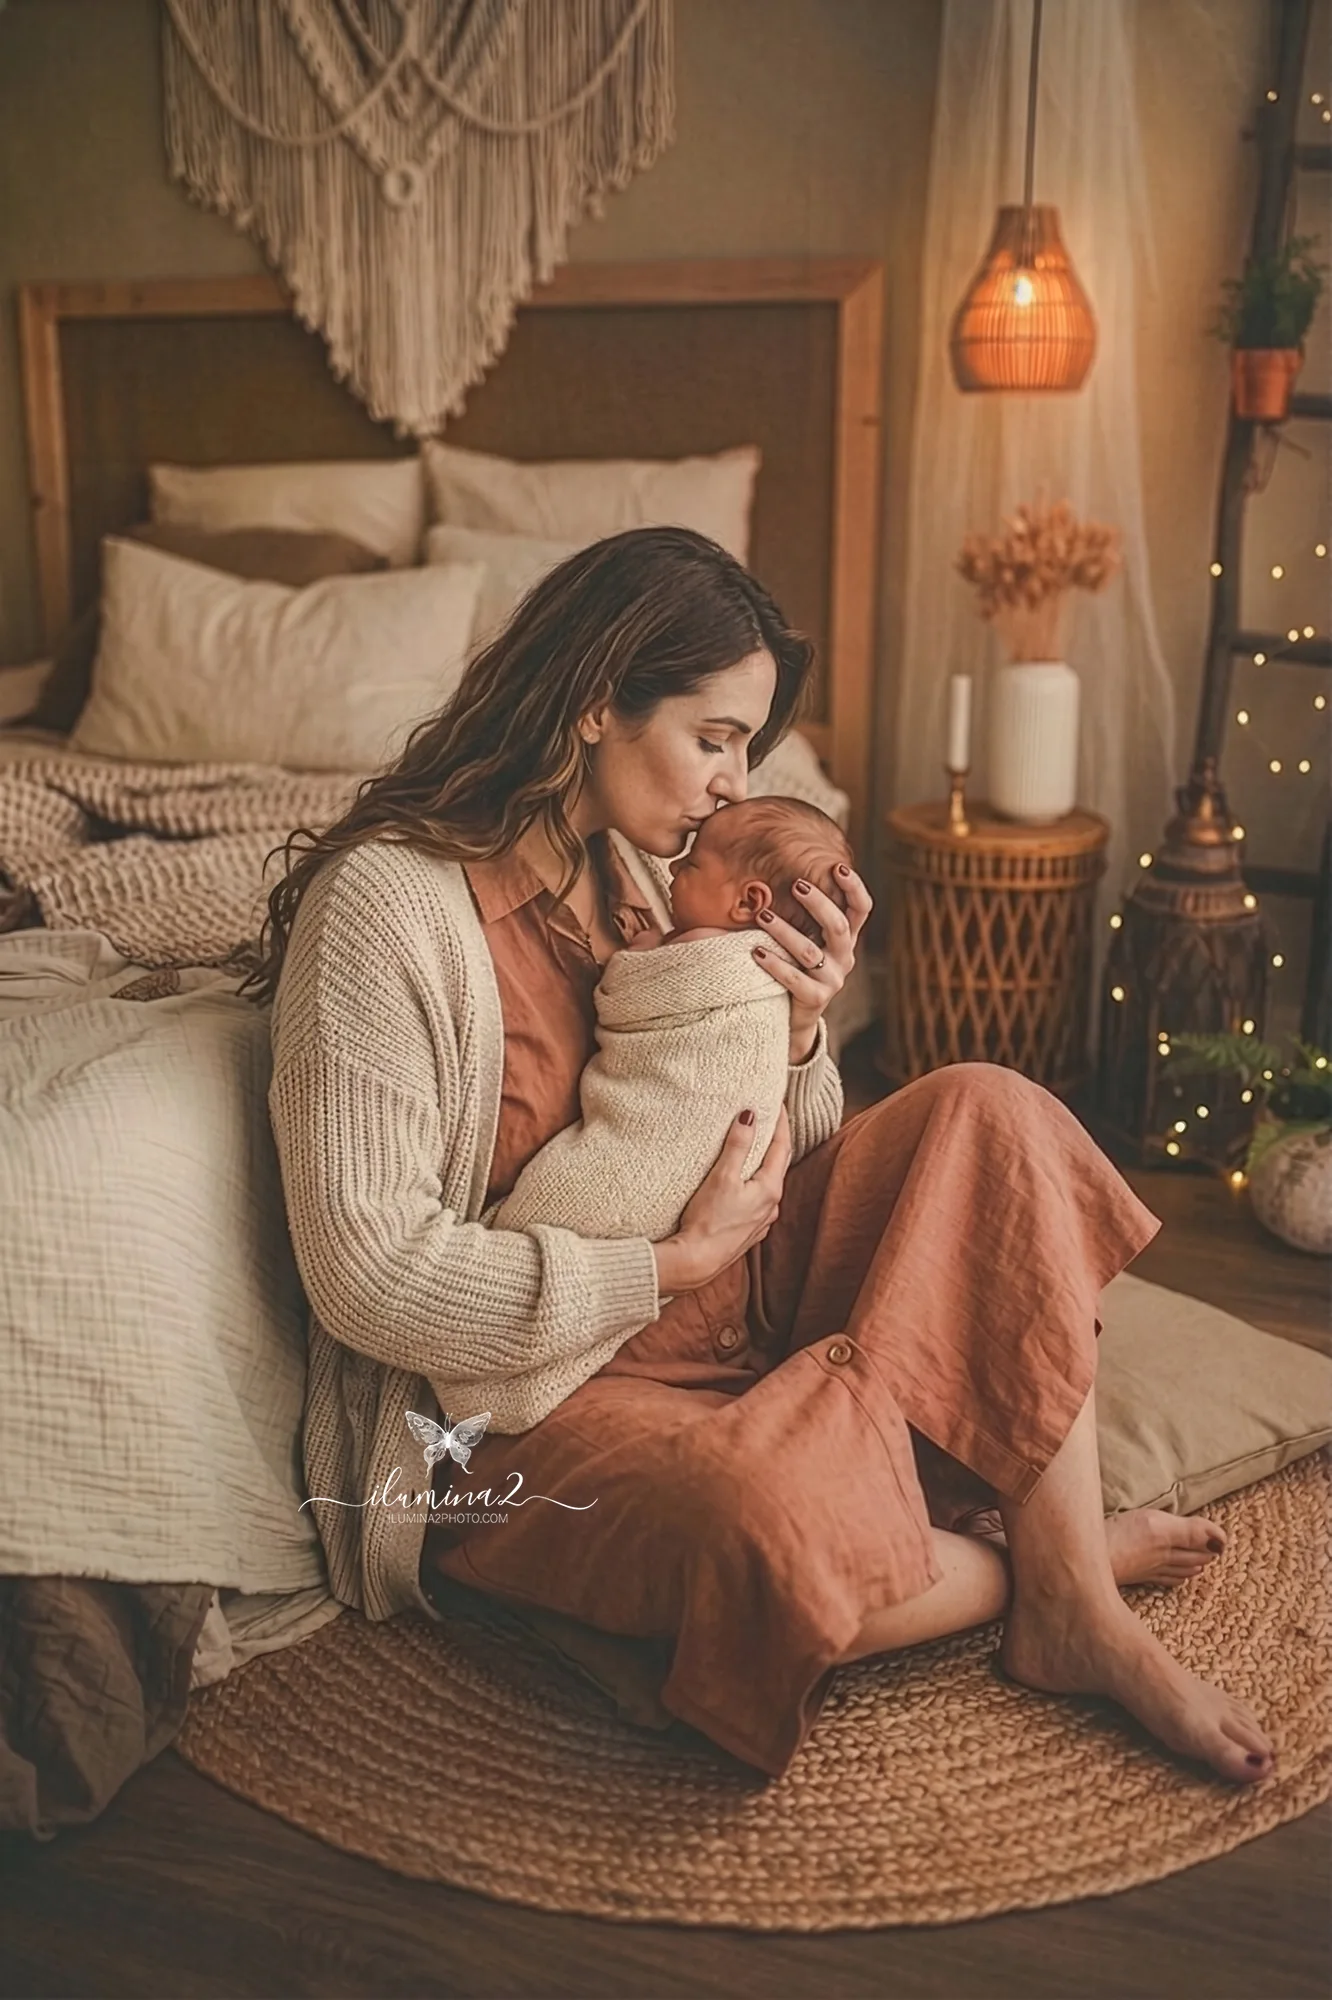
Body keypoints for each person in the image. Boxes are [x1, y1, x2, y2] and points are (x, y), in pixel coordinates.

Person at [253, 525, 1274, 1788]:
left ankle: (1067, 1609)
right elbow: (366, 1276)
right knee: (761, 1538)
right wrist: (662, 1268)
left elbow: (775, 1143)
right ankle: (1056, 1565)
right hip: (523, 1406)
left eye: (746, 748)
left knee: (992, 1111)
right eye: (714, 737)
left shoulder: (644, 868)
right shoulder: (386, 914)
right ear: (591, 702)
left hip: (754, 1302)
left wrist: (796, 1033)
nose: (733, 787)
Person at [492, 797, 853, 1248]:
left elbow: (626, 993)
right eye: (711, 740)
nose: (677, 867)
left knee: (966, 1094)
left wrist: (801, 1031)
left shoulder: (716, 950)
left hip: (737, 1226)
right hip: (687, 1252)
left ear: (749, 901)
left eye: (693, 864)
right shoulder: (693, 898)